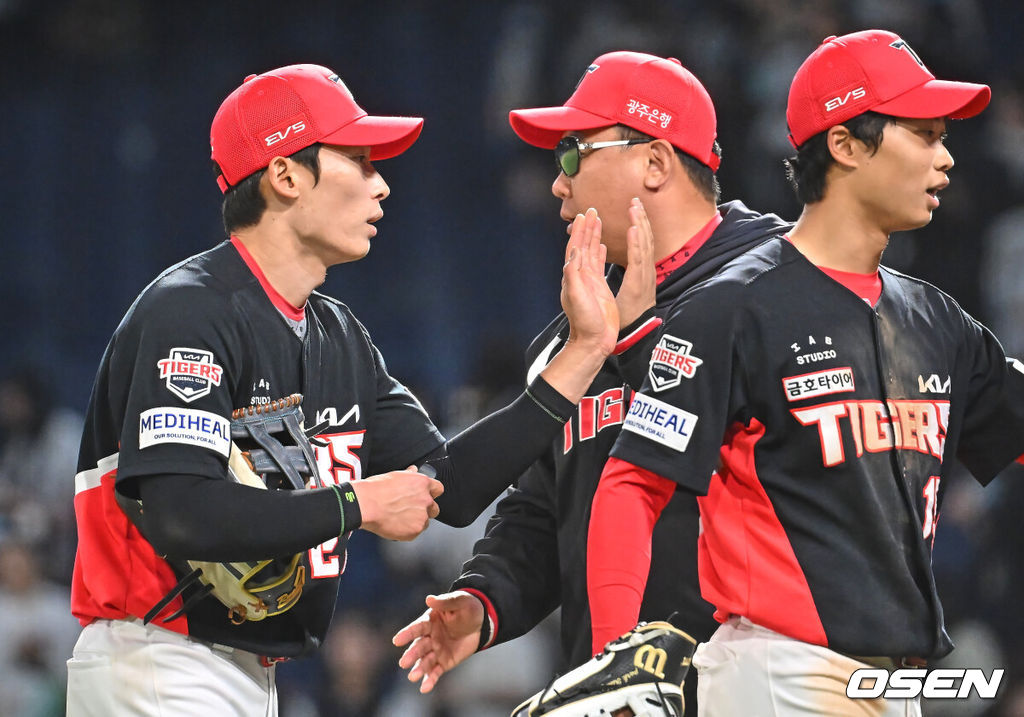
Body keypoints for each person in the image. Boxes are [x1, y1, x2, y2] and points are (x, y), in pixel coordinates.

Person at [66, 63, 624, 716]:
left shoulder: (336, 334)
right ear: (285, 174)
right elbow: (182, 512)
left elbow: (451, 483)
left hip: (244, 671)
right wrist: (355, 501)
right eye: (359, 161)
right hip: (156, 659)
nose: (382, 185)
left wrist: (583, 354)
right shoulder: (190, 311)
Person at [586, 30, 1024, 716]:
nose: (945, 159)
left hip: (892, 684)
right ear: (845, 145)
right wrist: (616, 661)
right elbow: (632, 481)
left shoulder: (937, 320)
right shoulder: (733, 306)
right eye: (925, 134)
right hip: (778, 672)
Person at [392, 51, 788, 715]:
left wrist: (640, 342)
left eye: (573, 152)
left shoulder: (781, 283)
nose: (557, 181)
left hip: (755, 683)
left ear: (656, 163)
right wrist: (485, 599)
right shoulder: (570, 337)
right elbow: (543, 511)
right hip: (610, 691)